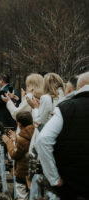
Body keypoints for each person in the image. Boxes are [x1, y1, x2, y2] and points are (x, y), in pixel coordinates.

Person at [35, 71, 89, 199]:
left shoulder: (66, 108)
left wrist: (54, 178)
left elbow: (43, 141)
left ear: (78, 88)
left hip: (71, 186)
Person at [2, 111, 35, 200]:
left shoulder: (22, 139)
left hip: (22, 172)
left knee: (22, 197)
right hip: (33, 170)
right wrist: (16, 138)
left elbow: (13, 155)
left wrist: (8, 142)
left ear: (19, 124)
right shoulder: (34, 132)